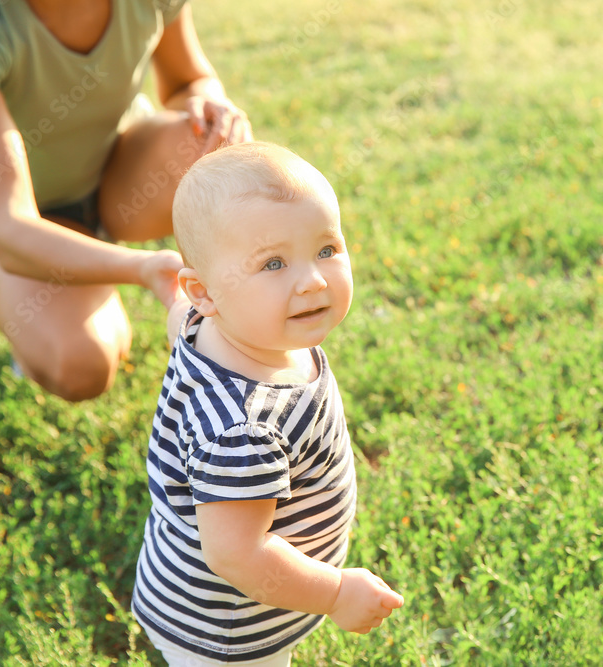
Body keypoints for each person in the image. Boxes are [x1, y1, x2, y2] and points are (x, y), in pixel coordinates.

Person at [132, 142, 404, 665]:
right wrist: (335, 593)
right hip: (227, 628)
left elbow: (176, 317)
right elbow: (238, 554)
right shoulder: (244, 430)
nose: (312, 280)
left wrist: (176, 299)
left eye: (326, 249)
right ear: (206, 292)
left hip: (220, 604)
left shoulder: (210, 323)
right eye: (273, 263)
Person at [0, 0, 252, 401]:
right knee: (82, 362)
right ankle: (39, 308)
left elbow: (187, 81)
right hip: (18, 219)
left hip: (116, 174)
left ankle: (256, 328)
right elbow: (10, 226)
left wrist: (209, 100)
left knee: (213, 140)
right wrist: (143, 267)